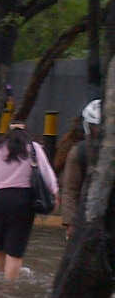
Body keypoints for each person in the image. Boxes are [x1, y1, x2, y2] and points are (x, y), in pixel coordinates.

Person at [0, 121, 59, 281]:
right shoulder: (34, 148)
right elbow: (46, 171)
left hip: (0, 200)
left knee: (0, 244)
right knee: (16, 249)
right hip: (23, 201)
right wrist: (55, 192)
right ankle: (8, 288)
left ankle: (1, 275)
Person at [61, 99, 101, 240]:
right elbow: (70, 189)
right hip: (84, 217)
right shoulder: (79, 152)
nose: (97, 130)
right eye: (94, 126)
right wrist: (70, 223)